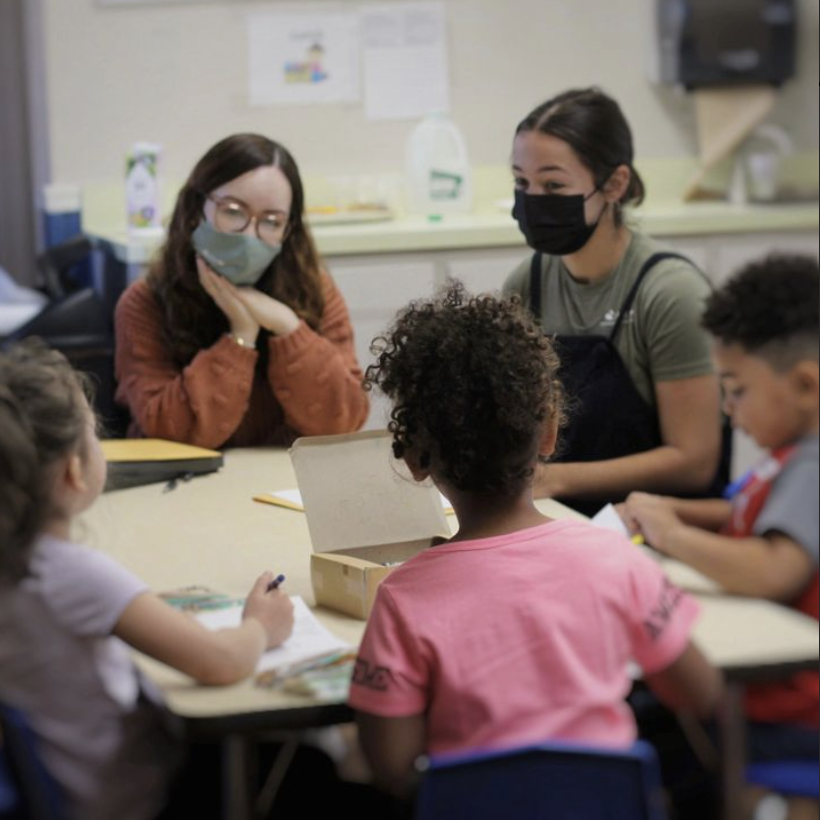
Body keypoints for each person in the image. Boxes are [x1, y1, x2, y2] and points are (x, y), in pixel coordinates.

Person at [348, 283, 722, 803]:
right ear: (548, 434)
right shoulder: (615, 558)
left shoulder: (402, 598)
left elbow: (392, 766)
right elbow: (700, 692)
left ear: (414, 458)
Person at [0, 340, 295, 820]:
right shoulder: (71, 573)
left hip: (61, 790)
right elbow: (221, 663)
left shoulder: (15, 562)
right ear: (75, 470)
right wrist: (262, 625)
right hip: (135, 798)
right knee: (302, 765)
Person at [622, 255, 819, 783]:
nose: (730, 411)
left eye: (737, 390)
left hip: (794, 712)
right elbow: (751, 515)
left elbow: (773, 569)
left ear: (806, 384)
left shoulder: (813, 461)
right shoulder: (794, 455)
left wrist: (671, 534)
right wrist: (671, 508)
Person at [503, 87, 725, 515]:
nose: (532, 201)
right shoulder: (526, 284)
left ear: (615, 184)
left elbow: (695, 461)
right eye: (521, 182)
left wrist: (558, 478)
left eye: (553, 184)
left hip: (657, 530)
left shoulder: (669, 293)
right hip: (558, 519)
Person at [115, 133, 368, 448]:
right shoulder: (144, 303)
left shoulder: (315, 291)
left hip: (284, 484)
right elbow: (169, 435)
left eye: (271, 222)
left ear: (288, 231)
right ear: (197, 209)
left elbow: (342, 422)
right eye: (233, 211)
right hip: (185, 487)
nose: (250, 235)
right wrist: (241, 336)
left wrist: (288, 327)